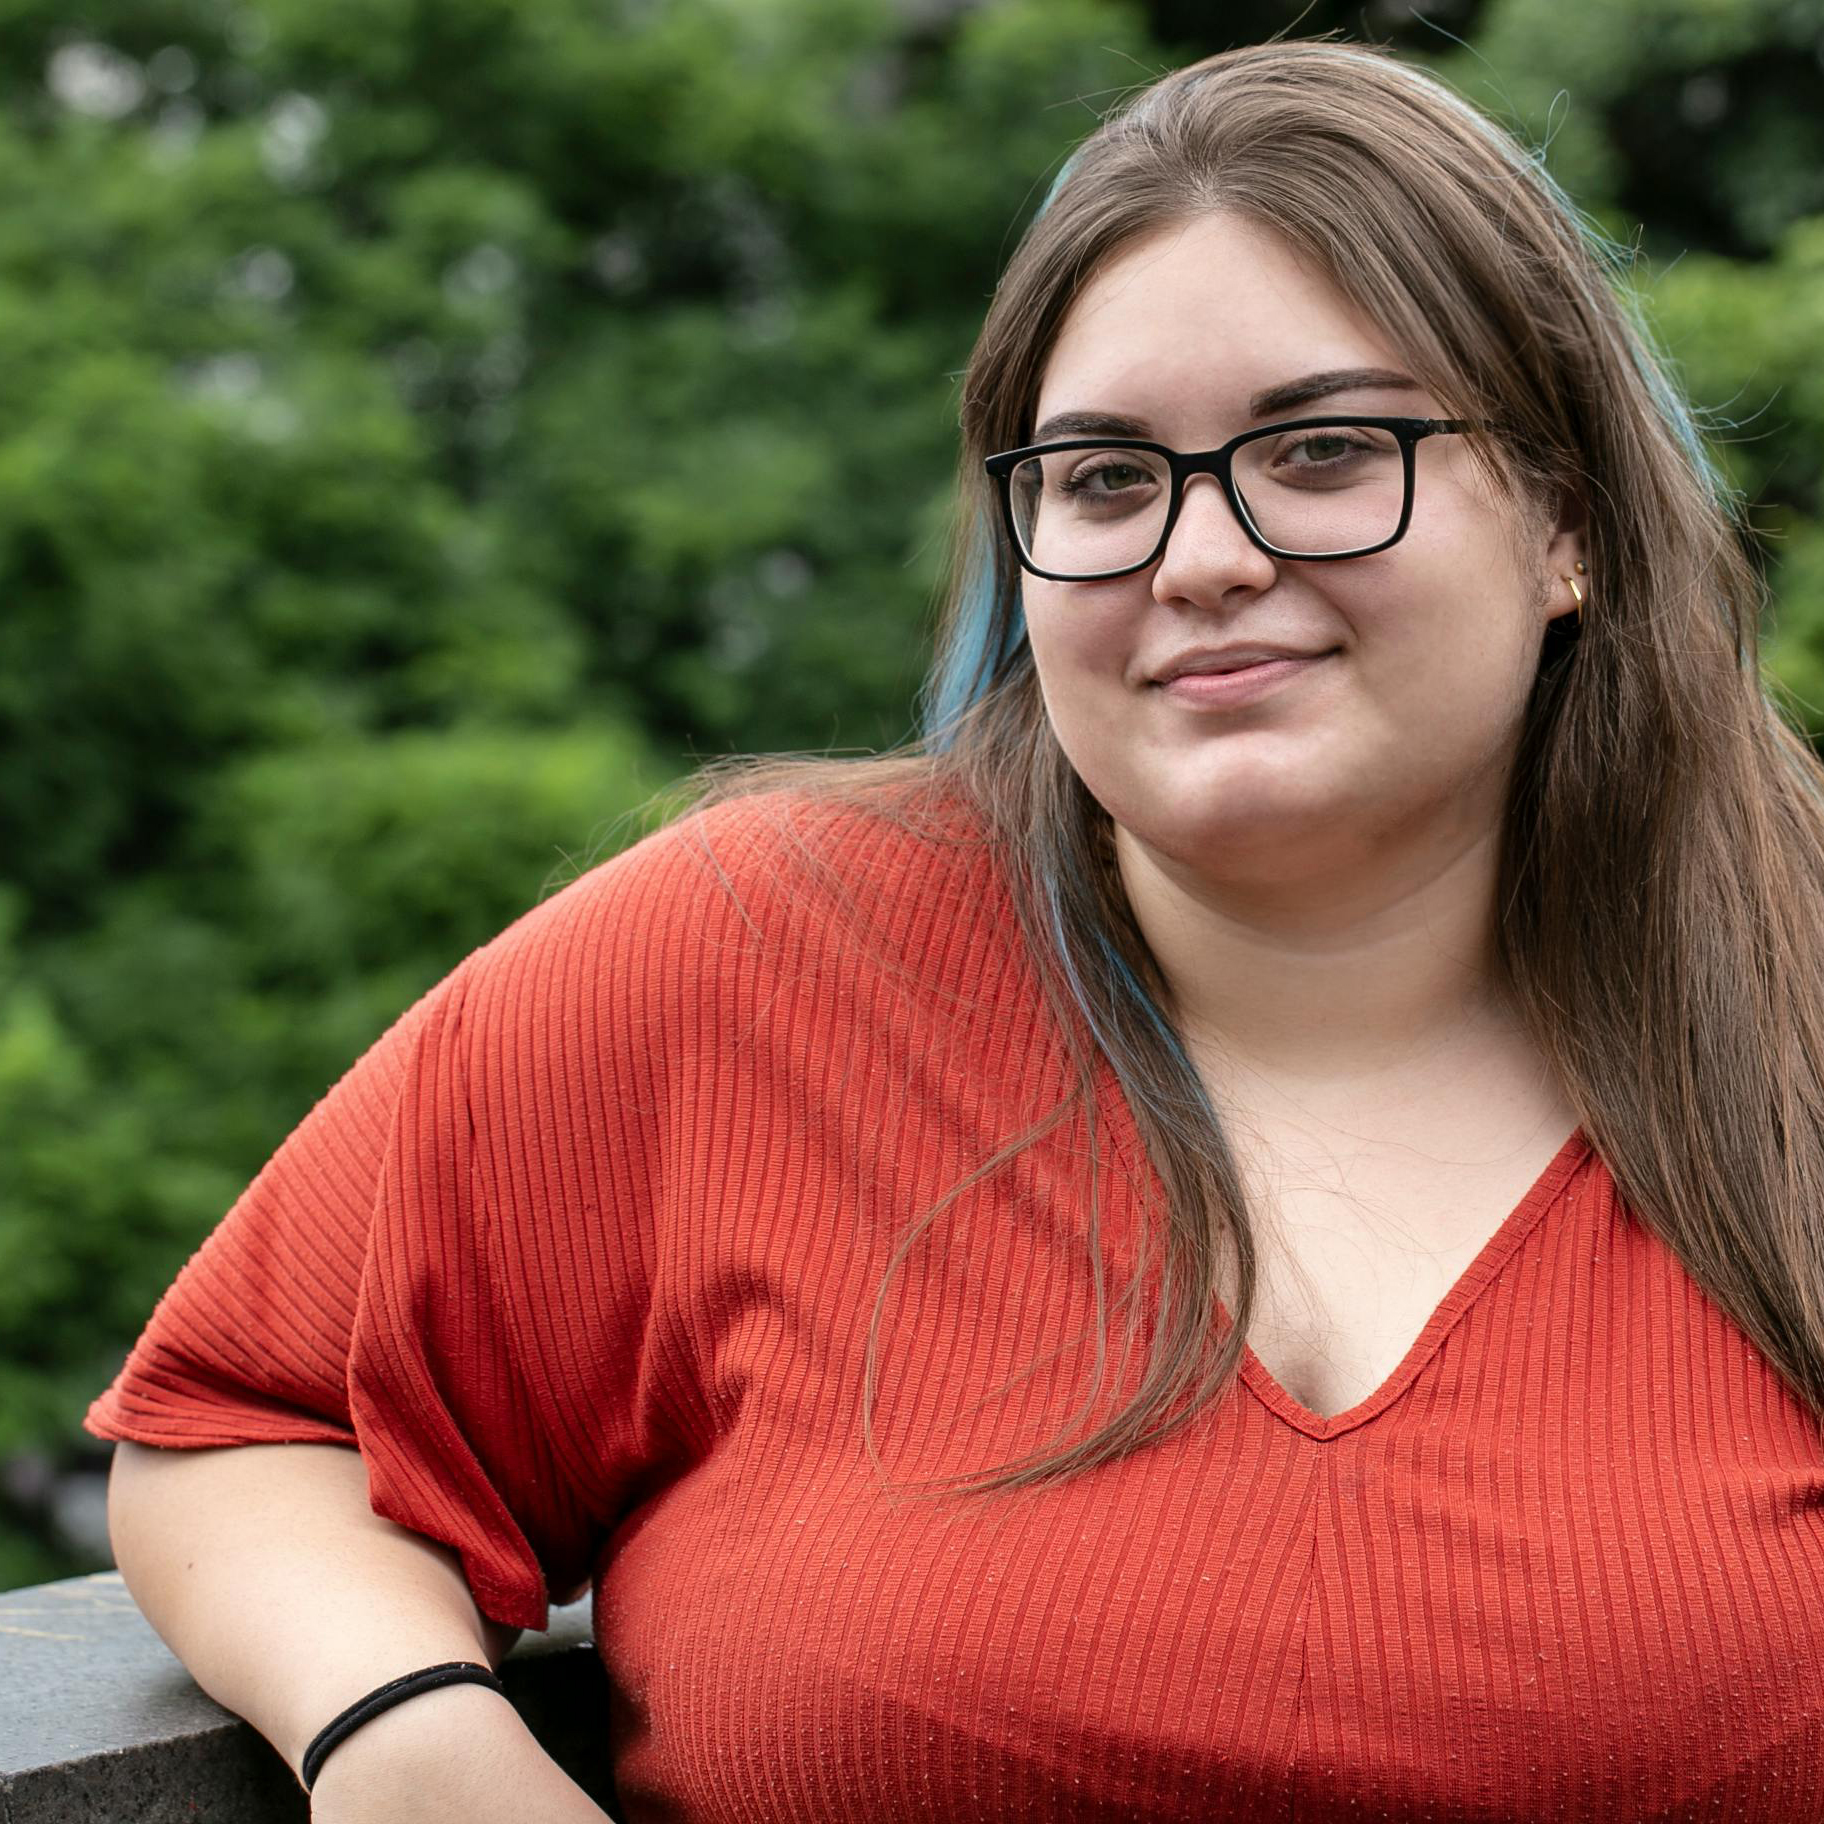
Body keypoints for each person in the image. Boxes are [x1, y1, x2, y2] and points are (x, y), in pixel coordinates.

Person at [88, 35, 1824, 1824]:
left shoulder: (1799, 1009)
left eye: (1321, 449)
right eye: (1102, 480)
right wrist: (413, 1742)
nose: (1199, 556)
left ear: (1570, 521)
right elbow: (243, 1423)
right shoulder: (748, 957)